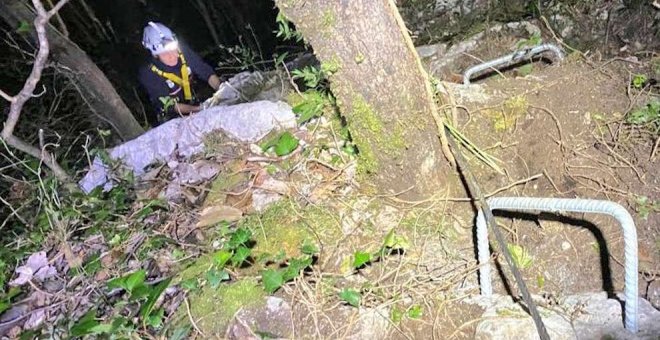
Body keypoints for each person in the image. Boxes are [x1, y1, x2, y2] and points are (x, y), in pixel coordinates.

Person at [139, 21, 221, 124]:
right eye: (165, 54)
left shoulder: (183, 51)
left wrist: (222, 91)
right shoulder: (148, 73)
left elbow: (205, 72)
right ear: (155, 55)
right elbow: (169, 105)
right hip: (173, 117)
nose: (172, 56)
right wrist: (200, 109)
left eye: (173, 50)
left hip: (192, 101)